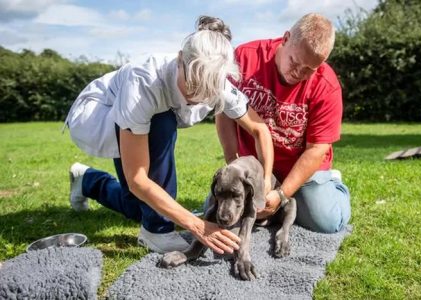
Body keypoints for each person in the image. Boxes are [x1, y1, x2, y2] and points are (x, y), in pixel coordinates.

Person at [64, 16, 274, 254]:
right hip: (96, 115)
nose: (194, 97)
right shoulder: (144, 82)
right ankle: (157, 231)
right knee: (162, 121)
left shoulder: (220, 83)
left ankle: (87, 181)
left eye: (206, 91)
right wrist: (195, 224)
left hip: (138, 121)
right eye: (192, 85)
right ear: (179, 59)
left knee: (138, 207)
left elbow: (259, 129)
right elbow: (138, 179)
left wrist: (264, 183)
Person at [216, 13, 350, 233]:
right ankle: (289, 204)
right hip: (256, 165)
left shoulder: (327, 85)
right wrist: (234, 165)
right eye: (295, 62)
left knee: (326, 221)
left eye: (309, 69)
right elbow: (224, 113)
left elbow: (317, 149)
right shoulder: (244, 58)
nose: (299, 73)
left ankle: (332, 186)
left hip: (299, 166)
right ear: (286, 38)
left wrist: (281, 193)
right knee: (220, 212)